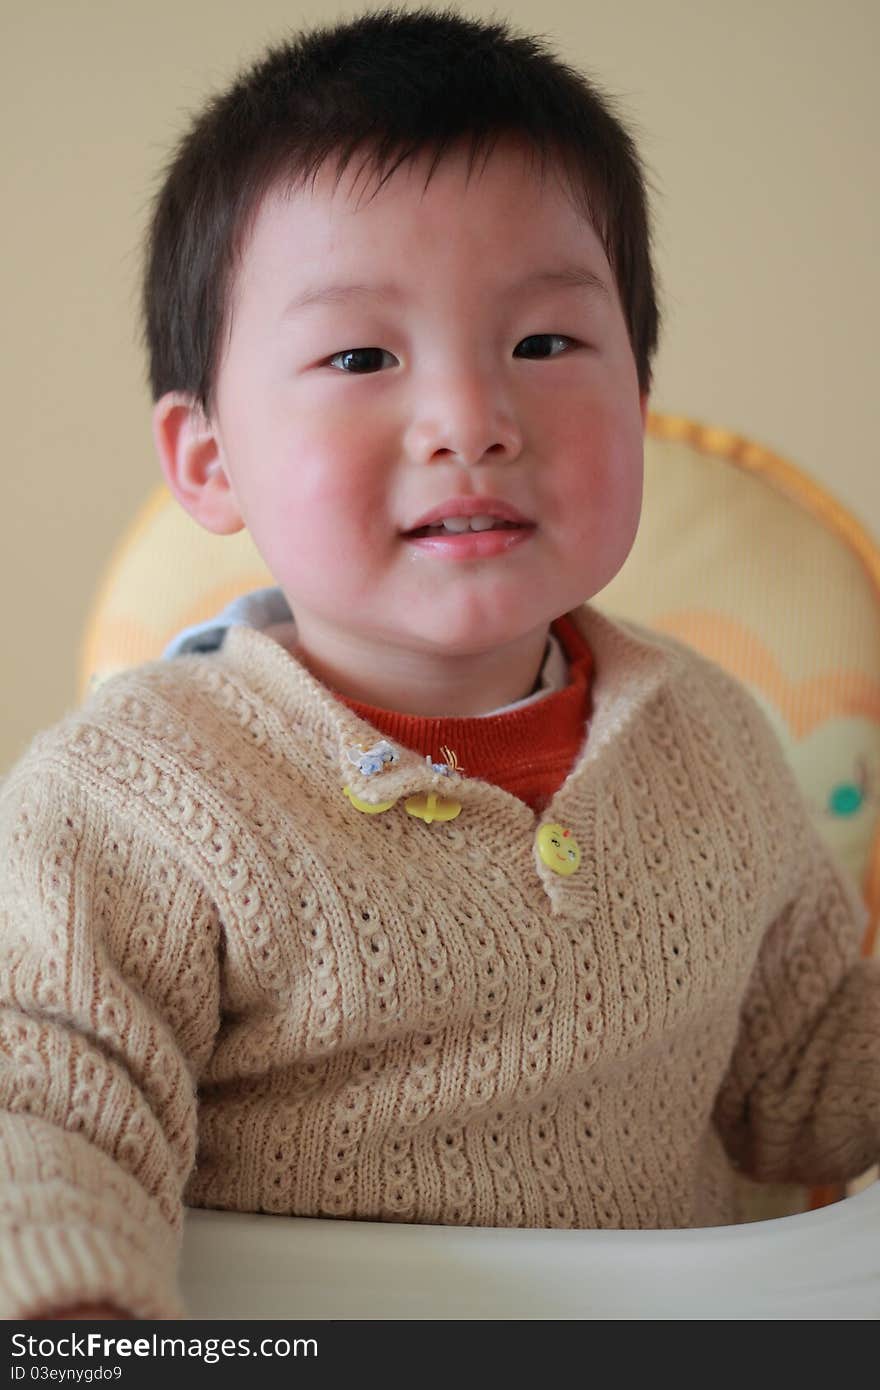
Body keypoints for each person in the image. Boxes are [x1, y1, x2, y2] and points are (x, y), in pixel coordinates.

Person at [1, 4, 877, 1321]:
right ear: (208, 459)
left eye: (545, 344)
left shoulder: (712, 740)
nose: (473, 420)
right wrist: (79, 1323)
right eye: (360, 355)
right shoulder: (130, 794)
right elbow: (40, 1103)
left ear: (639, 399)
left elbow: (809, 1076)